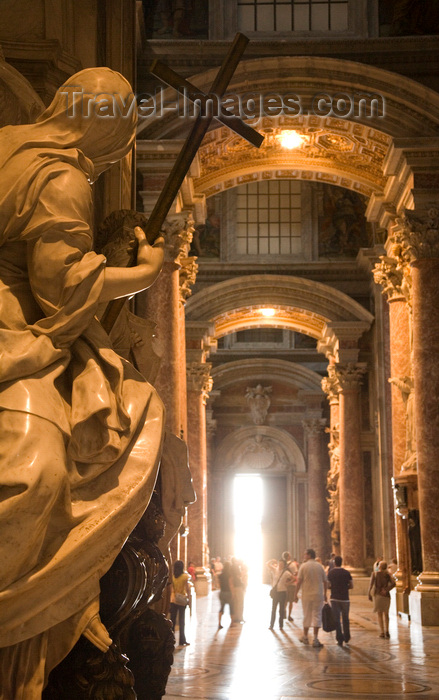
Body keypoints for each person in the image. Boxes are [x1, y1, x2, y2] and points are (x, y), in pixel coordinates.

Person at [0, 68, 166, 697]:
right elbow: (60, 287)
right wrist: (144, 274)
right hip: (19, 330)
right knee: (37, 472)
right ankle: (23, 609)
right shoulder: (61, 176)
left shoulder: (11, 142)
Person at [295, 548, 328, 647]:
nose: (304, 556)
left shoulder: (303, 566)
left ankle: (305, 636)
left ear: (309, 555)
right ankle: (315, 639)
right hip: (318, 594)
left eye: (305, 554)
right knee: (317, 615)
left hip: (307, 595)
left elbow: (299, 581)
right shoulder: (320, 566)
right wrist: (325, 594)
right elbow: (325, 581)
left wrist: (295, 594)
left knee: (307, 615)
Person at [327, 555, 353, 646]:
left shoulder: (331, 573)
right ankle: (347, 636)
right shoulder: (347, 573)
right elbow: (351, 585)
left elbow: (328, 585)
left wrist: (333, 587)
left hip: (334, 598)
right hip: (345, 599)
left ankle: (339, 638)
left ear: (334, 563)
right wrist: (345, 588)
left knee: (337, 619)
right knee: (345, 618)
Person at [368, 560, 396, 638]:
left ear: (379, 566)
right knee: (386, 614)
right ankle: (387, 631)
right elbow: (394, 584)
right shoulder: (388, 574)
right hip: (386, 595)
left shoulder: (375, 574)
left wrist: (369, 594)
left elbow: (370, 585)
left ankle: (382, 632)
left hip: (378, 595)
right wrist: (386, 590)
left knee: (379, 614)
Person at [267, 558, 295, 630]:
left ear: (284, 565)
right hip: (276, 592)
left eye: (282, 564)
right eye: (279, 563)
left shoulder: (286, 572)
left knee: (281, 609)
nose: (280, 565)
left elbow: (294, 578)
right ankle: (271, 625)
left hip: (282, 592)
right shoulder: (274, 570)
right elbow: (267, 564)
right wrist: (272, 561)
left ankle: (281, 625)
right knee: (274, 609)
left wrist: (288, 584)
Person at [170, 560, 191, 646]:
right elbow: (187, 589)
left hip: (174, 600)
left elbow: (171, 589)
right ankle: (182, 640)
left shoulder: (173, 577)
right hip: (182, 600)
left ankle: (171, 640)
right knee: (182, 621)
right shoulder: (185, 577)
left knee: (173, 621)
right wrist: (189, 599)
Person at [218, 561, 234, 629]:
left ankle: (219, 623)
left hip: (222, 592)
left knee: (221, 608)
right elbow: (231, 585)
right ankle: (232, 623)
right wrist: (233, 593)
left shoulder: (221, 575)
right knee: (231, 608)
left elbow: (218, 584)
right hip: (228, 592)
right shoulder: (229, 575)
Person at [282, 551, 298, 621]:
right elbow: (296, 573)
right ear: (288, 556)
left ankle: (284, 612)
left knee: (284, 600)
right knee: (291, 601)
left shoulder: (282, 564)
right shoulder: (292, 564)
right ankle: (289, 615)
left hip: (284, 585)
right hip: (291, 584)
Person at [231, 557, 245, 623]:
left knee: (235, 603)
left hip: (234, 586)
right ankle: (240, 617)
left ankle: (235, 618)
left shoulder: (231, 567)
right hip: (238, 586)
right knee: (240, 602)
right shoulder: (236, 567)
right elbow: (239, 576)